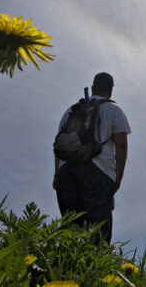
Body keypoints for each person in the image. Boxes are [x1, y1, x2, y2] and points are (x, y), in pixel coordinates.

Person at [53, 72, 130, 244]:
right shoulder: (114, 109)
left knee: (71, 231)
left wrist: (57, 175)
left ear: (93, 87)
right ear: (110, 91)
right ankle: (92, 269)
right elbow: (121, 145)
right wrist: (118, 177)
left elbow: (58, 144)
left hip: (67, 173)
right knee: (98, 232)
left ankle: (66, 269)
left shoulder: (71, 110)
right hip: (99, 172)